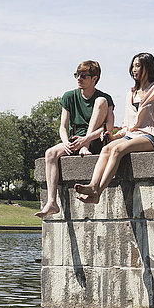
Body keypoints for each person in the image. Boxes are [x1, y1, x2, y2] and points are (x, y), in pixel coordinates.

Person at [74, 53, 154, 204]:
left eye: (138, 66)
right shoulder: (131, 93)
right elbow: (127, 126)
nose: (134, 69)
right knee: (106, 149)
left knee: (118, 150)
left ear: (147, 67)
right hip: (130, 135)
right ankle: (92, 185)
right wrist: (114, 136)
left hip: (149, 135)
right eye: (133, 66)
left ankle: (98, 192)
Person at [35, 60, 114, 218]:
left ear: (94, 78)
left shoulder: (105, 98)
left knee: (101, 102)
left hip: (96, 140)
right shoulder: (69, 96)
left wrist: (86, 140)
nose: (79, 78)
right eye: (77, 75)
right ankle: (51, 203)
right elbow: (63, 127)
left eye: (83, 75)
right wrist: (66, 143)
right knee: (50, 153)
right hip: (75, 141)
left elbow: (109, 127)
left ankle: (85, 143)